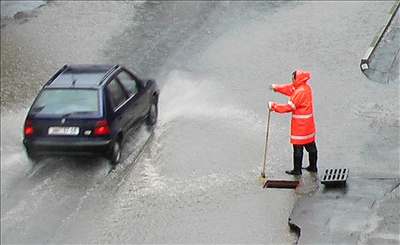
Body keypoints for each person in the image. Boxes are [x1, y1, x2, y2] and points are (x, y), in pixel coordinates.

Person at [268, 69, 318, 175]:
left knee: (297, 147)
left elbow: (289, 107)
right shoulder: (305, 88)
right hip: (308, 125)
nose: (292, 79)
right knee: (310, 146)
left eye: (293, 78)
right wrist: (276, 88)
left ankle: (297, 170)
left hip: (300, 126)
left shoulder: (300, 92)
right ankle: (313, 167)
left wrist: (274, 107)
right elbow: (290, 89)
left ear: (297, 79)